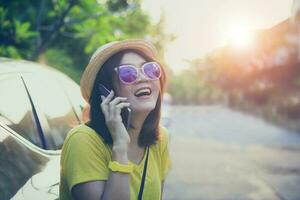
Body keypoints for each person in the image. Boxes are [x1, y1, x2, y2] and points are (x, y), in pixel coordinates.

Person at [59, 39, 171, 200]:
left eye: (150, 70)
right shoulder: (82, 140)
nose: (143, 78)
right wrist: (120, 146)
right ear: (106, 91)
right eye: (128, 73)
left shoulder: (161, 137)